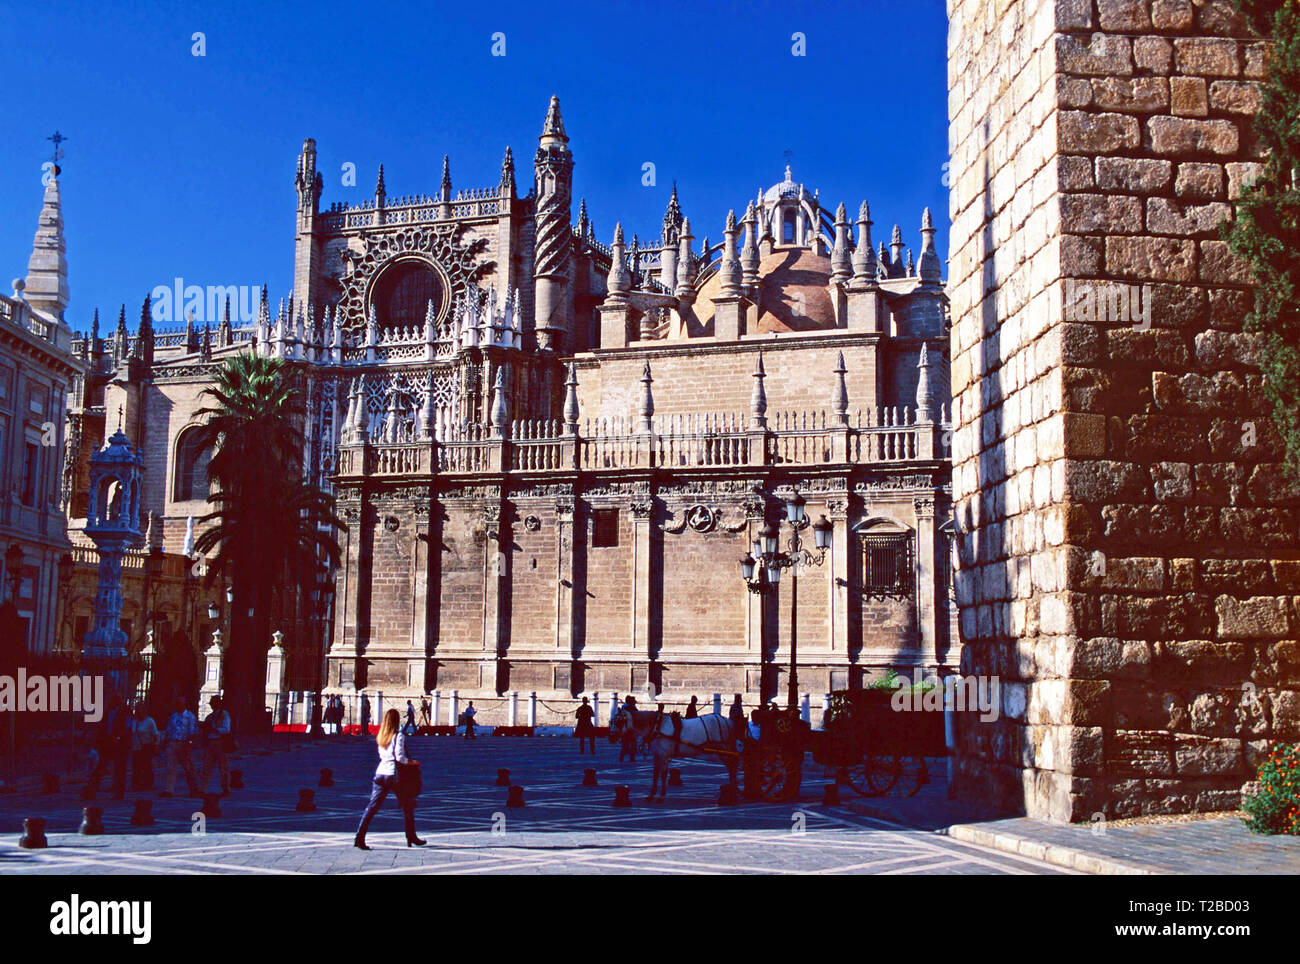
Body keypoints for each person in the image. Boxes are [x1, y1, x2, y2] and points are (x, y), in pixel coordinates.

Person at [354, 708, 425, 850]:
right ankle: (411, 836)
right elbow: (399, 757)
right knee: (408, 806)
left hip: (380, 773)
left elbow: (383, 756)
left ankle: (359, 837)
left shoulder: (381, 735)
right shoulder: (398, 736)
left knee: (372, 807)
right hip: (395, 775)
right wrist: (413, 763)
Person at [82, 691, 130, 800]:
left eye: (117, 700)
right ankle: (91, 791)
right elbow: (102, 727)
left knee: (119, 769)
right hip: (107, 743)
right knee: (100, 767)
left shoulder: (125, 712)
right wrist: (99, 742)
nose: (114, 702)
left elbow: (126, 728)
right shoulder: (108, 711)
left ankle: (119, 792)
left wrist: (118, 738)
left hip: (119, 743)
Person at [159, 696, 199, 798]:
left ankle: (194, 789)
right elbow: (169, 730)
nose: (178, 706)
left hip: (184, 743)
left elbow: (193, 732)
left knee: (188, 767)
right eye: (177, 703)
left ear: (184, 704)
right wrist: (165, 742)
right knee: (170, 767)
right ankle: (169, 790)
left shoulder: (190, 716)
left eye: (180, 703)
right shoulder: (173, 716)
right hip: (173, 742)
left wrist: (189, 745)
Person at [199, 695, 231, 796]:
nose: (213, 706)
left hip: (220, 742)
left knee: (223, 767)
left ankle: (225, 788)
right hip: (210, 742)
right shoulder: (209, 717)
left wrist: (215, 729)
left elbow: (226, 729)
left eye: (214, 703)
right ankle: (203, 789)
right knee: (206, 767)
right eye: (212, 704)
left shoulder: (224, 715)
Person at [129, 704, 159, 791]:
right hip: (136, 746)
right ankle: (136, 784)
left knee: (146, 765)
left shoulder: (150, 721)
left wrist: (156, 745)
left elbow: (155, 734)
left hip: (146, 746)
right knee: (136, 766)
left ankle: (148, 783)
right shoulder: (134, 722)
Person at [618, 696, 638, 763]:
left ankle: (622, 757)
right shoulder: (631, 708)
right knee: (632, 743)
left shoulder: (624, 707)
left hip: (625, 727)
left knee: (625, 743)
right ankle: (631, 757)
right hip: (630, 727)